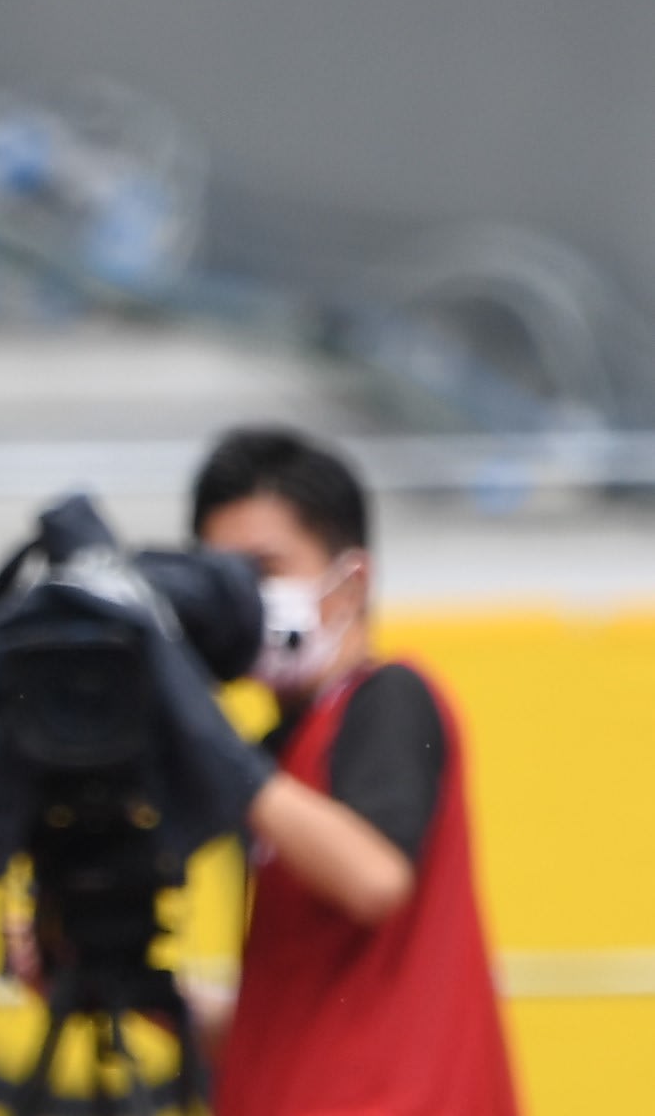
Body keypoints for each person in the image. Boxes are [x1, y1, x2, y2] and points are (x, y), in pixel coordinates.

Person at [190, 427, 520, 1116]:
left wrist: (204, 741)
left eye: (263, 568)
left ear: (351, 579)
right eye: (219, 577)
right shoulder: (276, 755)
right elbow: (270, 1035)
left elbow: (373, 877)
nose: (240, 599)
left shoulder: (391, 697)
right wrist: (128, 986)